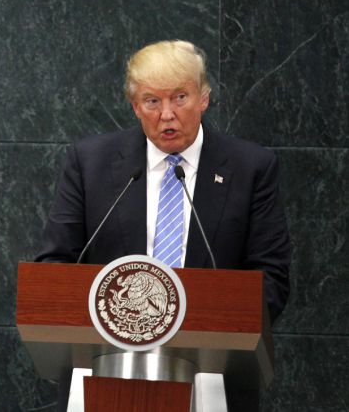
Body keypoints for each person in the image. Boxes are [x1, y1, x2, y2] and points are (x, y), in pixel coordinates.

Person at [36, 40, 291, 409]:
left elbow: (272, 278)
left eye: (181, 97)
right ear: (136, 106)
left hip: (212, 379)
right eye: (153, 101)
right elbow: (54, 266)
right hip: (105, 374)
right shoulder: (90, 163)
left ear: (204, 98)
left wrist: (209, 324)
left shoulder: (251, 168)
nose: (167, 114)